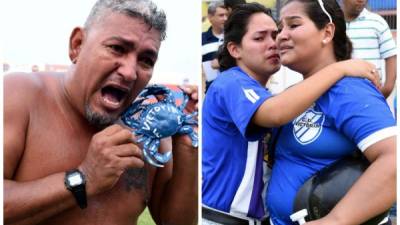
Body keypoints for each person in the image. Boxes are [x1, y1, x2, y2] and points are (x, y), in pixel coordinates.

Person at [4, 0, 198, 225]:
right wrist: (83, 179)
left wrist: (188, 146)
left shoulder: (152, 132)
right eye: (117, 48)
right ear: (77, 45)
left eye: (146, 60)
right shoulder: (18, 95)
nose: (130, 72)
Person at [202, 3, 379, 225]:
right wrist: (339, 68)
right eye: (259, 38)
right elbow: (275, 113)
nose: (274, 43)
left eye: (275, 34)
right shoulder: (231, 82)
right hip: (221, 219)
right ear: (235, 50)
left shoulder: (268, 94)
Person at [266, 0, 396, 224]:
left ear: (326, 32)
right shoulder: (294, 96)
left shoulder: (350, 91)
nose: (281, 36)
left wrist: (335, 220)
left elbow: (394, 160)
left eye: (293, 25)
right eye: (280, 29)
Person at [342, 0, 397, 99]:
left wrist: (386, 89)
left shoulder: (377, 22)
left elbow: (391, 56)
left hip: (370, 94)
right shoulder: (333, 24)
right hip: (340, 95)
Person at [202, 1, 228, 92]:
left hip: (233, 91)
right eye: (221, 15)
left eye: (227, 15)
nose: (225, 18)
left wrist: (221, 63)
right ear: (210, 17)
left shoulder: (234, 37)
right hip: (211, 91)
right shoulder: (201, 39)